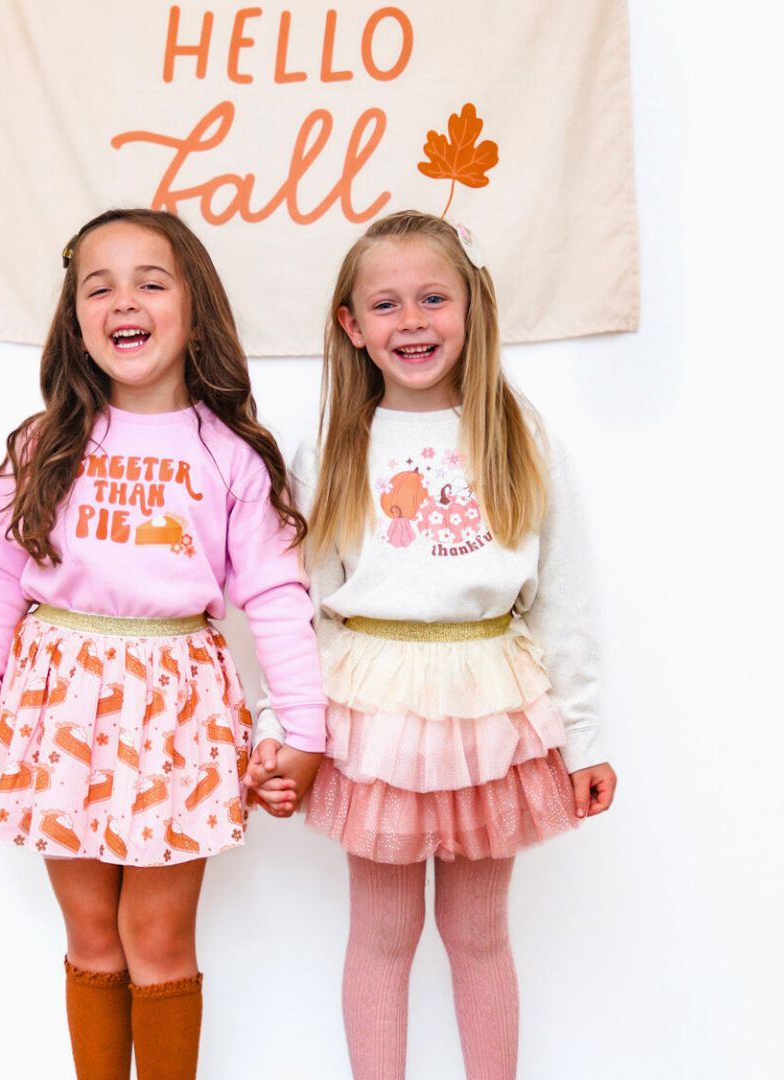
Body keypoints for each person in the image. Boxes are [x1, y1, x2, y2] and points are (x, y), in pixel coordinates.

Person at [0, 208, 326, 1080]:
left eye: (151, 282)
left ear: (195, 307)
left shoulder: (230, 456)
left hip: (176, 719)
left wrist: (303, 731)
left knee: (156, 938)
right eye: (100, 286)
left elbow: (276, 595)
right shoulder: (43, 446)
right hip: (56, 710)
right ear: (75, 319)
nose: (125, 300)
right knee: (91, 936)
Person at [247, 210, 617, 1080]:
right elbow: (293, 609)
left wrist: (585, 737)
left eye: (433, 298)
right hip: (374, 712)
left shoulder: (521, 436)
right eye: (386, 304)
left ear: (472, 307)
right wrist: (278, 725)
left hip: (490, 707)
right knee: (383, 933)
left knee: (478, 933)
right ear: (352, 325)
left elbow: (565, 599)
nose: (411, 321)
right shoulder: (333, 446)